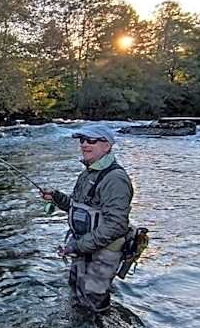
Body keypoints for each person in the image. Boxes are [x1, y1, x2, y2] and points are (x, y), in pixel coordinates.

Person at [42, 123, 133, 313]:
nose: (84, 144)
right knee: (77, 299)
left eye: (91, 140)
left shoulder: (115, 179)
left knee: (94, 308)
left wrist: (78, 246)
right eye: (82, 140)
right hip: (85, 249)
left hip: (102, 254)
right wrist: (58, 198)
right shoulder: (88, 173)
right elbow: (80, 208)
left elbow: (116, 225)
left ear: (106, 146)